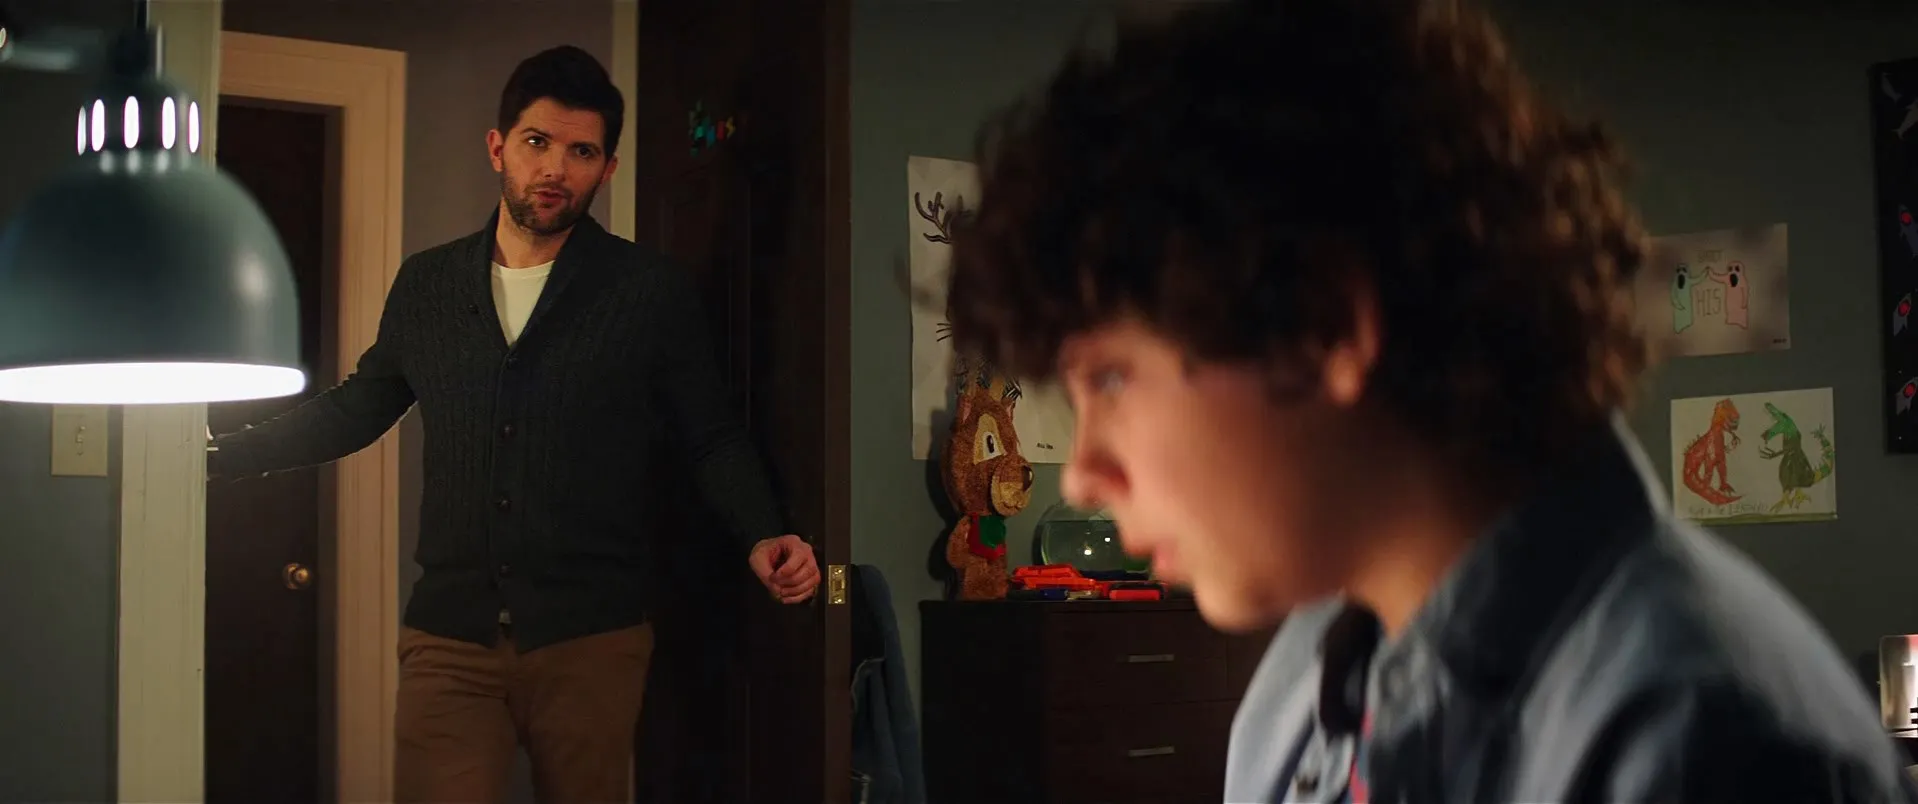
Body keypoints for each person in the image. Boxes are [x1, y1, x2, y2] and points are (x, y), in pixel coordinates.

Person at [941, 1, 1918, 801]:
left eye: (1110, 378)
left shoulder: (1701, 742)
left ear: (1323, 325)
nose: (1080, 474)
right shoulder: (1299, 691)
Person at [207, 45, 820, 803]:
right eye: (537, 142)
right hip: (449, 640)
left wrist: (762, 531)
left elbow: (711, 434)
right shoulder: (428, 285)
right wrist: (218, 454)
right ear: (498, 147)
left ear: (608, 168)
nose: (555, 168)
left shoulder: (647, 291)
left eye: (581, 152)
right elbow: (358, 406)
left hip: (593, 638)